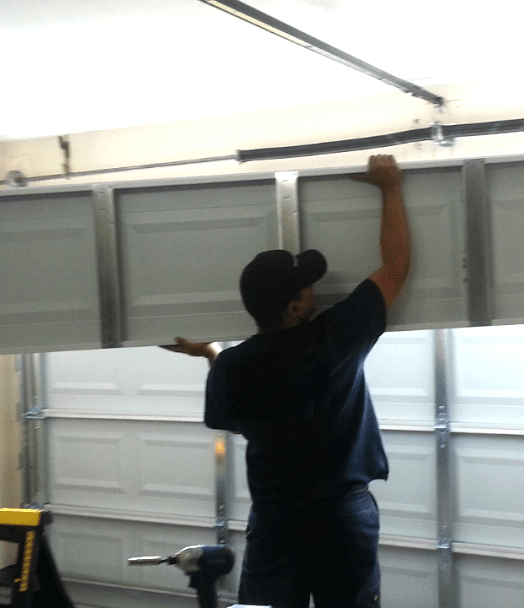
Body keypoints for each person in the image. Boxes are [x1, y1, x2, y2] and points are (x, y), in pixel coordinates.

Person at [171, 154, 411, 608]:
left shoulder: (233, 367)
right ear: (294, 308)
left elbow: (245, 421)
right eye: (305, 288)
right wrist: (390, 187)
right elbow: (396, 267)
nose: (313, 291)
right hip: (341, 520)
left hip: (276, 527)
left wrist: (210, 355)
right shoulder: (336, 337)